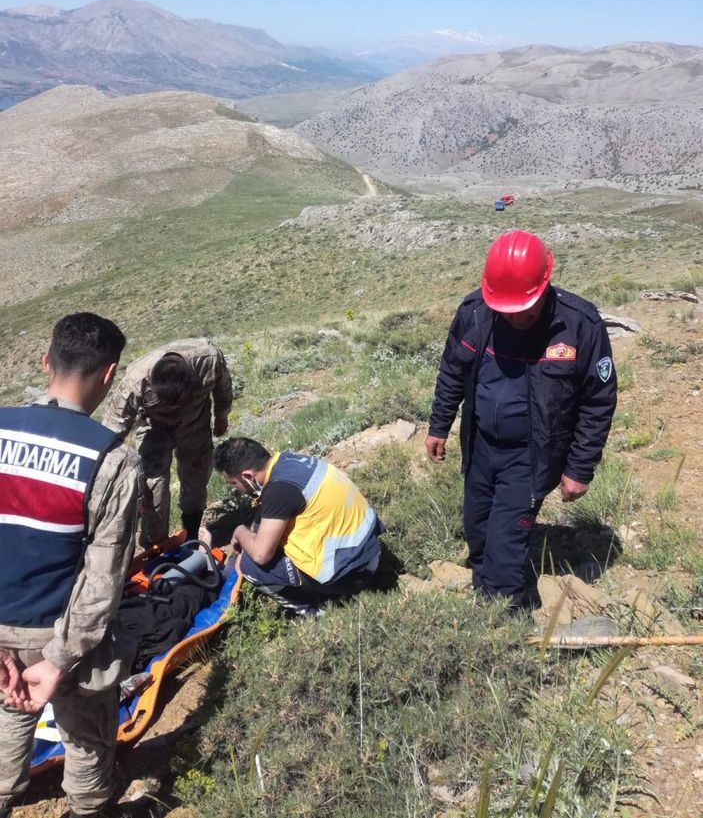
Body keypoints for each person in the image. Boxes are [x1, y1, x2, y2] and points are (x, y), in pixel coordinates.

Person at [425, 230, 617, 610]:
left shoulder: (579, 324)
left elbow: (598, 400)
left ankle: (504, 615)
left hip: (531, 453)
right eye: (506, 309)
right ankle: (484, 588)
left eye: (524, 308)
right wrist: (439, 425)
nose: (515, 317)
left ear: (544, 286)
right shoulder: (475, 313)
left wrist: (579, 468)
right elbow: (452, 372)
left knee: (506, 539)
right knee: (477, 527)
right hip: (480, 445)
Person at [0, 312, 143, 818]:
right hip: (63, 633)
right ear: (109, 375)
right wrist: (60, 659)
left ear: (45, 362)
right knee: (85, 739)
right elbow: (103, 579)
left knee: (4, 720)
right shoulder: (113, 460)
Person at [214, 437, 383, 615]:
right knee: (259, 534)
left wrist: (239, 531)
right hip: (371, 553)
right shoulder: (289, 462)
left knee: (250, 564)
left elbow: (260, 554)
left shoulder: (278, 490)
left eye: (233, 483)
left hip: (350, 575)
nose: (235, 489)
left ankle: (316, 610)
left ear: (247, 476)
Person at [103, 338, 233, 544]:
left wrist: (222, 416)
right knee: (152, 484)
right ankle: (155, 544)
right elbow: (113, 427)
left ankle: (190, 534)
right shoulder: (136, 380)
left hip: (195, 422)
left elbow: (223, 386)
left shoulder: (209, 359)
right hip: (155, 427)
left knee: (196, 478)